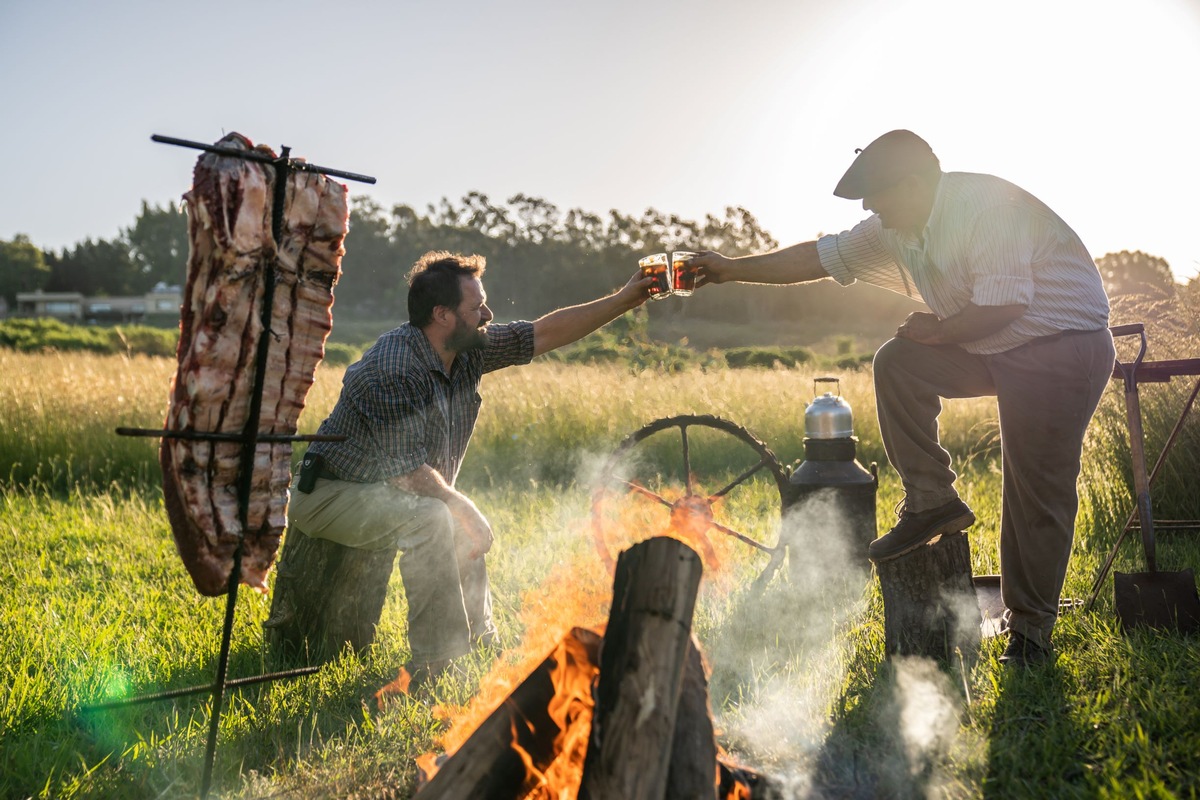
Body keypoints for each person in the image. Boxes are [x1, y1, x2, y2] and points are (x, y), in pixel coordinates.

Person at [691, 130, 1113, 667]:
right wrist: (731, 268)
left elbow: (1005, 305)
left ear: (914, 184)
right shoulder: (897, 227)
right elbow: (820, 257)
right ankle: (932, 500)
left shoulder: (986, 206)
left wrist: (938, 330)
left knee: (1034, 487)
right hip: (993, 344)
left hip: (1059, 343)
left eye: (876, 194)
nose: (869, 207)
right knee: (898, 362)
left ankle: (1030, 634)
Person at [288, 250, 651, 684]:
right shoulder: (393, 368)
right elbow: (406, 472)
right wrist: (464, 507)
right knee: (434, 515)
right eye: (477, 307)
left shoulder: (468, 349)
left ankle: (480, 642)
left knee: (448, 512)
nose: (488, 314)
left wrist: (628, 298)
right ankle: (436, 661)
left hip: (383, 489)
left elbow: (545, 332)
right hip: (329, 492)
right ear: (442, 315)